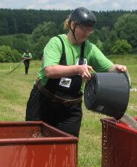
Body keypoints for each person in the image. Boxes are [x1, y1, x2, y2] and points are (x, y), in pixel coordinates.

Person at [25, 7, 127, 137]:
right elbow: (50, 70)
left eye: (90, 30)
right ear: (72, 25)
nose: (87, 33)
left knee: (67, 150)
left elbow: (108, 67)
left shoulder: (90, 48)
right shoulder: (57, 43)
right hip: (43, 104)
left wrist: (116, 68)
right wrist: (77, 68)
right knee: (35, 148)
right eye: (84, 29)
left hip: (71, 110)